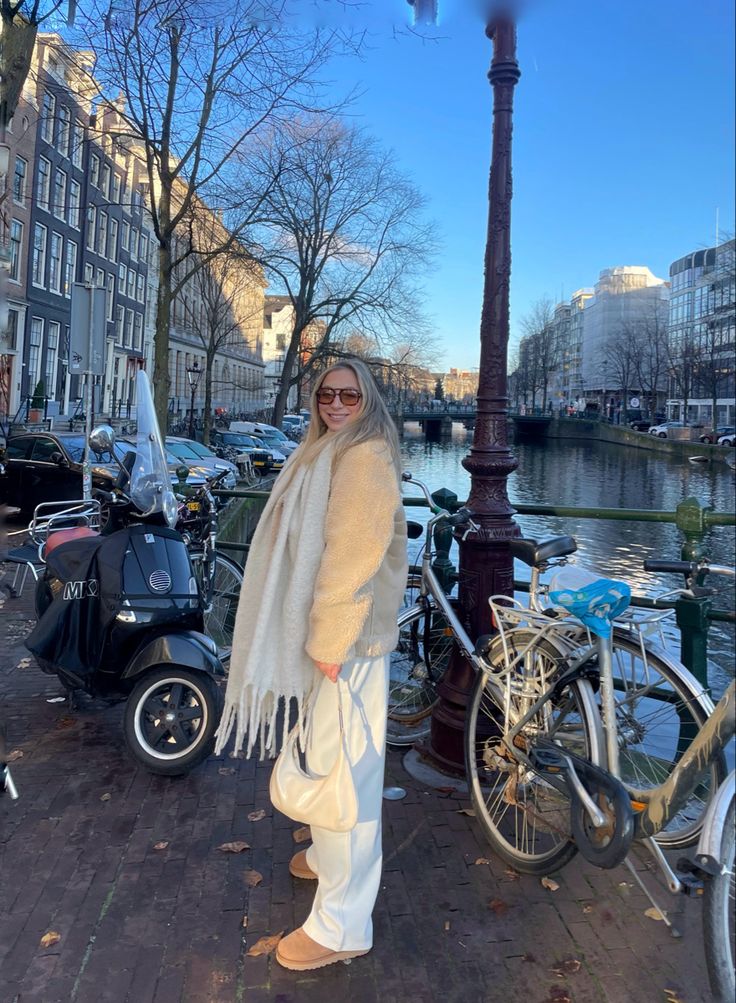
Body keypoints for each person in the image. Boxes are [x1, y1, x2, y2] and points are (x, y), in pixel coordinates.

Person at [214, 358, 408, 971]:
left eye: (349, 394)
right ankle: (326, 861)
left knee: (346, 781)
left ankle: (342, 924)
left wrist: (328, 644)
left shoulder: (364, 457)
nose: (336, 402)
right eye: (326, 393)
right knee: (329, 762)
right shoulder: (325, 450)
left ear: (367, 399)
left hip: (345, 646)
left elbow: (351, 558)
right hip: (331, 643)